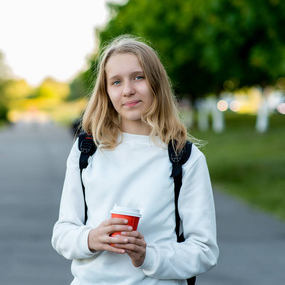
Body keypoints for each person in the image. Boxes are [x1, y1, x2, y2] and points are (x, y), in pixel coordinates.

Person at [52, 35, 218, 284]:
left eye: (138, 77)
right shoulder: (87, 150)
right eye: (116, 82)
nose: (128, 89)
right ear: (106, 92)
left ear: (156, 83)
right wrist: (91, 238)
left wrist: (147, 256)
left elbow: (204, 250)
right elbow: (63, 232)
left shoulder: (184, 158)